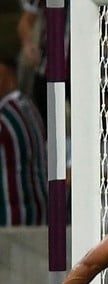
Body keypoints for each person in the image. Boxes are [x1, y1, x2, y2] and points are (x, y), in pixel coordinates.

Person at [0, 49, 48, 225]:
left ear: (11, 78)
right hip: (38, 216)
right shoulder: (28, 107)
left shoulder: (5, 116)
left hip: (11, 222)